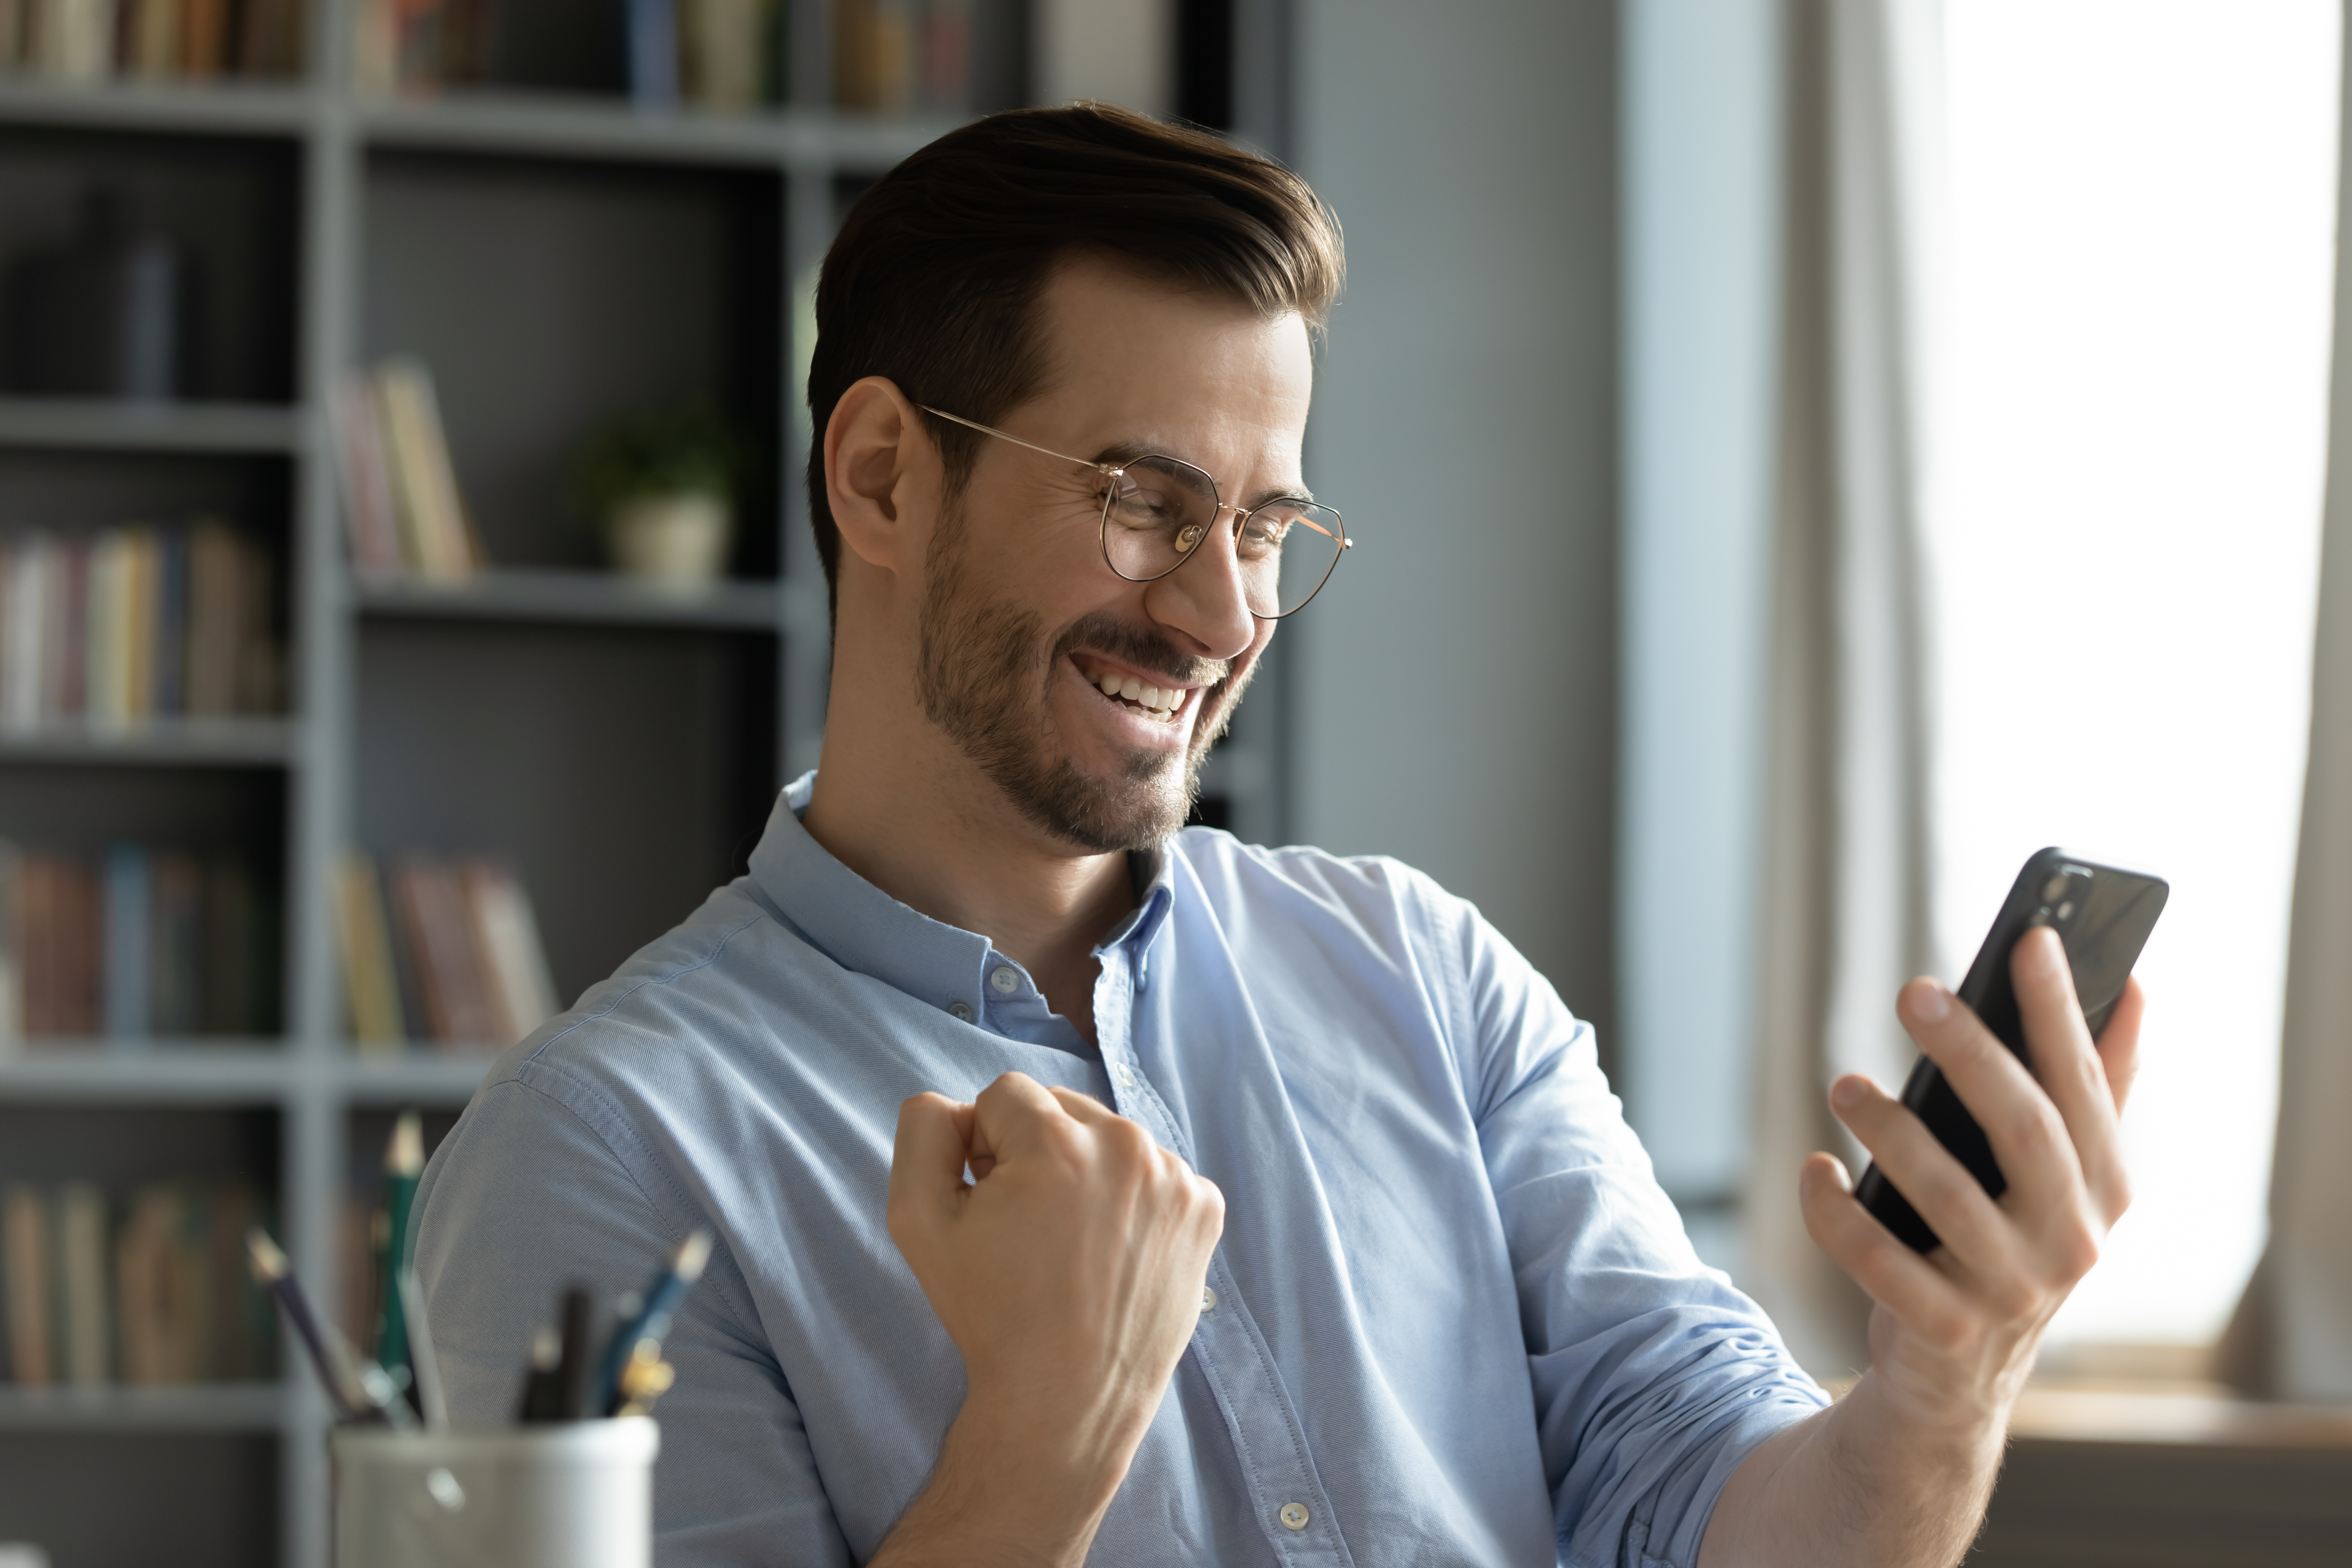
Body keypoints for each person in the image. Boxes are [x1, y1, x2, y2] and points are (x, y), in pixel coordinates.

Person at [414, 104, 2145, 1568]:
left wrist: (1946, 1377)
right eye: (1143, 501)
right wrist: (1042, 1437)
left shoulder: (1426, 980)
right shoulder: (600, 1150)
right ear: (878, 476)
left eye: (1265, 524)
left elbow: (1728, 1507)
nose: (1221, 609)